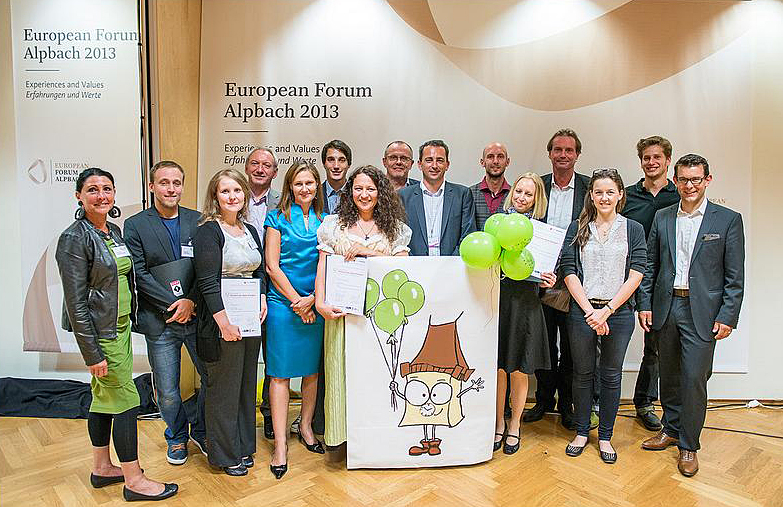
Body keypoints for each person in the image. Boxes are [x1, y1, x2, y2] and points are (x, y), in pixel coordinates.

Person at [56, 167, 178, 502]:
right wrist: (92, 354)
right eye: (92, 190)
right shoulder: (74, 238)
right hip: (103, 334)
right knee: (126, 402)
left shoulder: (112, 231)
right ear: (79, 196)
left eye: (107, 189)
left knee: (102, 398)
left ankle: (101, 467)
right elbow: (76, 302)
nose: (101, 196)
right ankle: (134, 480)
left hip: (121, 326)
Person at [639, 154, 745, 477]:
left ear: (708, 180)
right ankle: (670, 430)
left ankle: (688, 444)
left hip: (702, 312)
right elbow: (650, 266)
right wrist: (645, 304)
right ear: (675, 180)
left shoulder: (727, 220)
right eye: (683, 179)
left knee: (694, 379)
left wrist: (728, 315)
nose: (689, 186)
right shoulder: (662, 217)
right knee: (668, 375)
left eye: (696, 179)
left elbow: (734, 276)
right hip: (666, 306)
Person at [314, 165, 412, 448]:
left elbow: (404, 266)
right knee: (342, 374)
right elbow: (322, 267)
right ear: (350, 192)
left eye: (371, 188)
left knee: (375, 374)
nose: (364, 194)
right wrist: (320, 302)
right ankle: (344, 438)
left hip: (380, 317)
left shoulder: (395, 229)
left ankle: (375, 438)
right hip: (342, 314)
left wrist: (369, 252)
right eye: (358, 188)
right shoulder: (333, 225)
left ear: (380, 192)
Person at [559, 168, 647, 464]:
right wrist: (589, 311)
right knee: (582, 374)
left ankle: (606, 436)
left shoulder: (633, 229)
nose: (604, 197)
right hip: (582, 312)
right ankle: (583, 432)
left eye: (610, 191)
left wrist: (607, 311)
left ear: (620, 194)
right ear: (591, 196)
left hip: (618, 314)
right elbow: (569, 271)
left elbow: (637, 273)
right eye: (599, 192)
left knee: (610, 375)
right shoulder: (578, 227)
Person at [124, 160, 207, 466]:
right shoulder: (134, 225)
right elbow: (139, 273)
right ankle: (176, 437)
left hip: (196, 316)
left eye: (176, 182)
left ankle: (201, 430)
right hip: (160, 319)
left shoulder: (198, 220)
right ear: (152, 186)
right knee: (168, 389)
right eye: (164, 182)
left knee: (210, 379)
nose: (171, 188)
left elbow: (205, 269)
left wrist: (191, 302)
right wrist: (174, 304)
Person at [192, 169, 268, 476]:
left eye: (237, 190)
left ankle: (243, 446)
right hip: (221, 320)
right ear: (215, 197)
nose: (232, 196)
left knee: (246, 385)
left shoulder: (249, 230)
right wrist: (222, 322)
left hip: (250, 317)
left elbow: (260, 271)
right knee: (223, 389)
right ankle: (224, 455)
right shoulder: (208, 232)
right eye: (225, 191)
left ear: (245, 195)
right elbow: (207, 282)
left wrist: (262, 297)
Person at [524, 128, 590, 430]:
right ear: (550, 153)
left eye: (569, 150)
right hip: (543, 280)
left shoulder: (590, 188)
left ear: (577, 155)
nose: (563, 155)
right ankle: (543, 401)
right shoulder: (538, 186)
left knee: (574, 348)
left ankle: (567, 405)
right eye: (558, 150)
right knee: (545, 344)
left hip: (577, 280)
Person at [264, 161, 327, 479]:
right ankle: (279, 445)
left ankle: (304, 426)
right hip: (282, 305)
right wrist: (296, 302)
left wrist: (313, 300)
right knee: (280, 375)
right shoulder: (275, 217)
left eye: (310, 183)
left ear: (317, 186)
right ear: (290, 186)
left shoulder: (328, 220)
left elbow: (329, 266)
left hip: (316, 303)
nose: (305, 188)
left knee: (312, 372)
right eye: (299, 183)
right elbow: (272, 266)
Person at [621, 136, 680, 431]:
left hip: (661, 281)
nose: (651, 162)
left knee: (654, 347)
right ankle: (596, 400)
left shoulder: (679, 195)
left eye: (657, 157)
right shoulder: (628, 197)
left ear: (668, 160)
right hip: (624, 278)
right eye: (646, 157)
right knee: (604, 339)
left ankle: (644, 402)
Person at [494, 173, 555, 455]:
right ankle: (498, 424)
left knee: (519, 368)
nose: (521, 197)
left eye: (528, 194)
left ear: (536, 200)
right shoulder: (497, 225)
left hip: (527, 305)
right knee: (498, 369)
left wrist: (548, 280)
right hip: (498, 302)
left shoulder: (543, 233)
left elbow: (545, 271)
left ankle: (515, 425)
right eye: (518, 191)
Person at [243, 147, 282, 440]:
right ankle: (242, 416)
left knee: (273, 356)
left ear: (274, 172)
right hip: (240, 284)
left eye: (266, 165)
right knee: (242, 357)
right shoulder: (231, 196)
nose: (260, 169)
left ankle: (270, 415)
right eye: (255, 164)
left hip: (275, 284)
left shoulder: (283, 203)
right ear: (246, 167)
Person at [399, 139, 476, 256]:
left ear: (447, 165)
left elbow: (468, 235)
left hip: (452, 267)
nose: (434, 165)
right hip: (414, 266)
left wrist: (449, 264)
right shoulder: (403, 196)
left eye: (440, 160)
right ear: (420, 164)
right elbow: (399, 239)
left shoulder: (462, 194)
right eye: (429, 160)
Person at [470, 142, 511, 230]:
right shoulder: (468, 194)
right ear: (482, 162)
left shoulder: (515, 196)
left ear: (507, 162)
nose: (495, 161)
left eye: (500, 156)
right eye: (490, 157)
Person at [321, 139, 352, 214]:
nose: (336, 166)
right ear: (324, 164)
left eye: (341, 160)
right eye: (331, 160)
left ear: (349, 164)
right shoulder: (314, 195)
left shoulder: (356, 194)